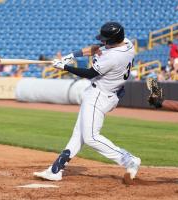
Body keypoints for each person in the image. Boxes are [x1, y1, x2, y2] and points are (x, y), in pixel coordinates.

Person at [34, 22, 141, 184]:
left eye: (106, 40)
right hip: (105, 94)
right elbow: (97, 48)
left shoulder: (113, 57)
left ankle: (128, 159)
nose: (103, 42)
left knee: (90, 137)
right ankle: (56, 169)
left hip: (100, 95)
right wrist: (72, 55)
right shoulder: (127, 43)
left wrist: (65, 67)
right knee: (79, 134)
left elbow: (91, 73)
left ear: (113, 40)